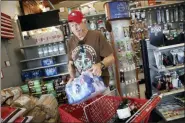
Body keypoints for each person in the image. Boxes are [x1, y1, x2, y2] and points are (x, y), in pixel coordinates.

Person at [67, 10, 115, 87]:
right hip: (85, 86)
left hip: (100, 84)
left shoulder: (97, 36)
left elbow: (111, 58)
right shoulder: (71, 42)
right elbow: (70, 63)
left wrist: (100, 65)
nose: (75, 28)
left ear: (84, 22)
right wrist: (72, 77)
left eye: (77, 24)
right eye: (72, 26)